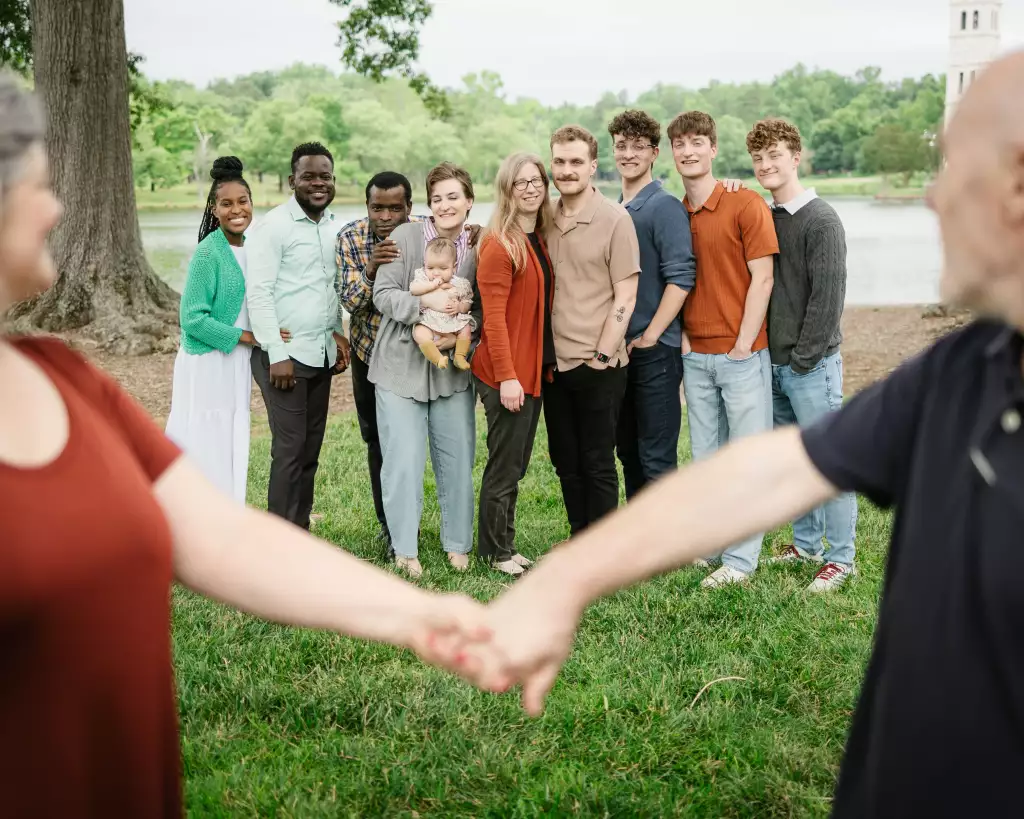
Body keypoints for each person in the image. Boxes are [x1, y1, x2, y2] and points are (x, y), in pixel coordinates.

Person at [461, 50, 1024, 819]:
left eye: (952, 168)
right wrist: (573, 575)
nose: (929, 197)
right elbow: (768, 472)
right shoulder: (962, 368)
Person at [0, 75, 490, 819]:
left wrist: (419, 616)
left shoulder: (69, 380)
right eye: (39, 186)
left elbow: (223, 537)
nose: (60, 207)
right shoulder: (249, 243)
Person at [748, 117, 858, 592]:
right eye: (758, 158)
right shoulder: (766, 217)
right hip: (772, 366)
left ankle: (841, 558)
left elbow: (828, 299)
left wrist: (801, 361)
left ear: (796, 157)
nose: (767, 165)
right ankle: (806, 545)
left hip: (809, 365)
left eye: (775, 155)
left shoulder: (822, 220)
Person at [671, 110, 779, 588]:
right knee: (707, 458)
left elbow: (764, 278)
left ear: (713, 149)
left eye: (698, 142)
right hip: (695, 357)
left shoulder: (745, 203)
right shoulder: (678, 212)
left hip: (743, 355)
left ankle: (740, 561)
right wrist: (688, 343)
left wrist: (740, 345)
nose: (689, 151)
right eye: (680, 144)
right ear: (672, 153)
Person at [370, 162, 480, 579]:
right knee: (402, 459)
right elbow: (383, 293)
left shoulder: (479, 245)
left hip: (452, 370)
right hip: (400, 365)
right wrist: (424, 306)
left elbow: (486, 307)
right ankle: (405, 548)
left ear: (469, 201)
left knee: (457, 458)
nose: (445, 205)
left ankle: (458, 543)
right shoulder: (405, 236)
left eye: (454, 196)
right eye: (437, 198)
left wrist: (463, 334)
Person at [246, 142, 351, 530]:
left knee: (309, 450)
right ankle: (278, 540)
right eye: (308, 176)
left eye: (325, 176)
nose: (318, 183)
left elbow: (328, 287)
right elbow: (258, 293)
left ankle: (298, 529)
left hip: (320, 352)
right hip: (285, 357)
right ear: (293, 180)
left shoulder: (332, 226)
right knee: (289, 450)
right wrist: (276, 352)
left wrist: (337, 332)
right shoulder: (273, 227)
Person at [544, 125, 640, 536]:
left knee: (597, 460)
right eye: (560, 161)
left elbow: (626, 295)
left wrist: (602, 356)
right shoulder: (543, 216)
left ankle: (600, 549)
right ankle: (578, 536)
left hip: (597, 362)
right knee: (565, 459)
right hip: (552, 363)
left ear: (592, 166)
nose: (567, 170)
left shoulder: (615, 220)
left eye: (576, 162)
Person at [472, 152, 556, 576]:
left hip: (530, 371)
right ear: (507, 189)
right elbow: (494, 320)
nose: (530, 187)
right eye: (520, 182)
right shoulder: (497, 245)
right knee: (504, 466)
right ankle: (494, 552)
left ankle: (505, 544)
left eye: (537, 179)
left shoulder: (534, 238)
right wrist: (507, 376)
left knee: (516, 465)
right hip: (506, 374)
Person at [607, 110, 695, 499]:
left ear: (654, 153)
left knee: (656, 456)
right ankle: (640, 540)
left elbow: (681, 279)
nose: (629, 154)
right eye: (621, 146)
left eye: (638, 147)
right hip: (618, 351)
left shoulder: (664, 206)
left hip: (654, 351)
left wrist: (650, 336)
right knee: (627, 450)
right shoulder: (613, 210)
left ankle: (665, 544)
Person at [164, 157, 260, 503]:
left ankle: (227, 510)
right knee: (205, 436)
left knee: (228, 435)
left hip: (235, 362)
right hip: (207, 362)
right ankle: (194, 510)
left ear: (252, 202)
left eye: (243, 201)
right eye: (227, 203)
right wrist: (246, 338)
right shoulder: (209, 253)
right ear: (214, 208)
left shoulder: (254, 247)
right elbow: (192, 319)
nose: (237, 210)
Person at [337, 172, 418, 553]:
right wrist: (371, 269)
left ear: (409, 208)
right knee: (377, 440)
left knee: (416, 441)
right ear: (367, 206)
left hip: (416, 354)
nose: (385, 216)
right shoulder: (351, 237)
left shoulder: (423, 233)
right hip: (368, 352)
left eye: (394, 208)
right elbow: (351, 303)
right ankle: (390, 526)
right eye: (377, 208)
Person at [409, 236, 475, 370]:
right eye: (430, 267)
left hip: (451, 320)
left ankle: (459, 356)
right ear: (424, 265)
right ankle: (438, 359)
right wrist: (431, 285)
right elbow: (413, 289)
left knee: (466, 328)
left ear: (454, 267)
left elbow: (468, 300)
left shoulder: (459, 283)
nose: (436, 273)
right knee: (419, 332)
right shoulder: (423, 277)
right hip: (429, 320)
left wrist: (460, 307)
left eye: (443, 268)